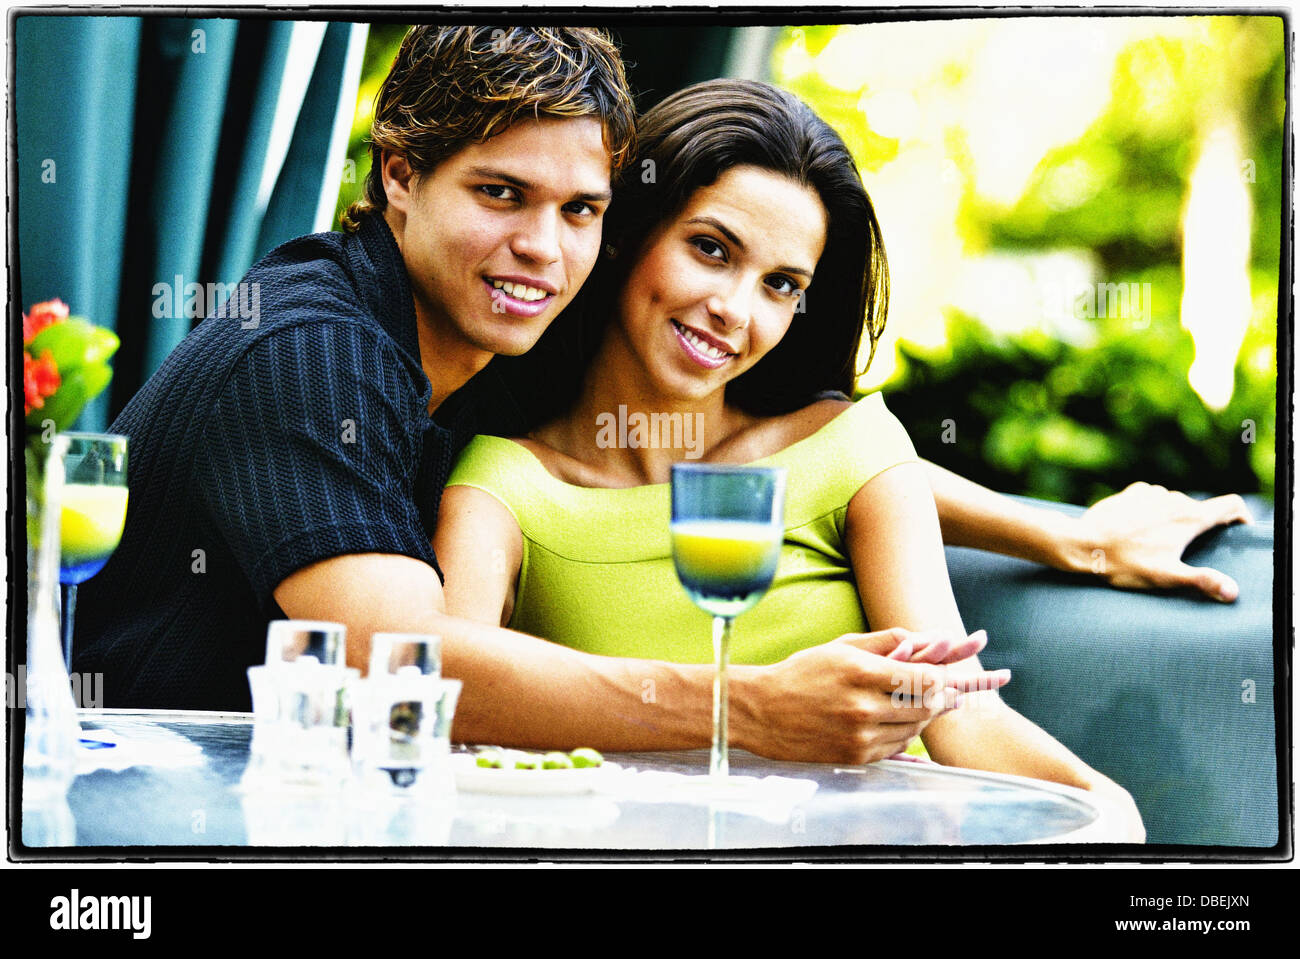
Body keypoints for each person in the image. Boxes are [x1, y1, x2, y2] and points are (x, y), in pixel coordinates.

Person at [73, 23, 1244, 728]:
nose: (542, 245)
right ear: (398, 176)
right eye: (500, 194)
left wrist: (1064, 537)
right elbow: (409, 668)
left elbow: (770, 454)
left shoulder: (475, 345)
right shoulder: (315, 351)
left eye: (579, 208)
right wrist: (756, 709)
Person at [436, 80, 1159, 838]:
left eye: (781, 285)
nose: (735, 310)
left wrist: (1107, 811)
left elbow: (961, 716)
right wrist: (752, 709)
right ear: (627, 233)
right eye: (711, 250)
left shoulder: (849, 449)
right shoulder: (504, 490)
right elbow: (449, 700)